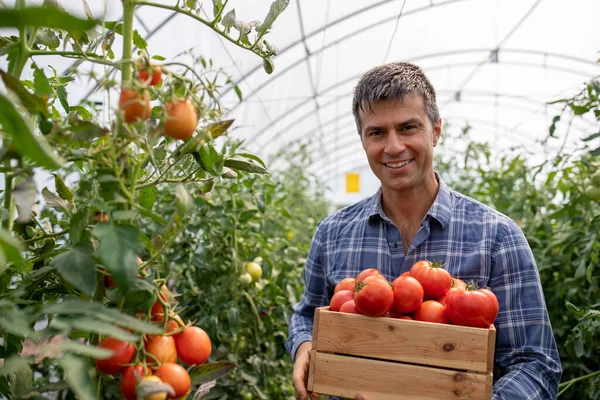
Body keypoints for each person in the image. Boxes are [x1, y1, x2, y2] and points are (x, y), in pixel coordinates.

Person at [285, 62, 562, 400]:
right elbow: (307, 313)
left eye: (408, 128)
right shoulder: (332, 234)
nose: (393, 146)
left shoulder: (497, 238)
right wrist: (305, 345)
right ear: (362, 140)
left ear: (436, 131)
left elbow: (535, 364)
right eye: (376, 132)